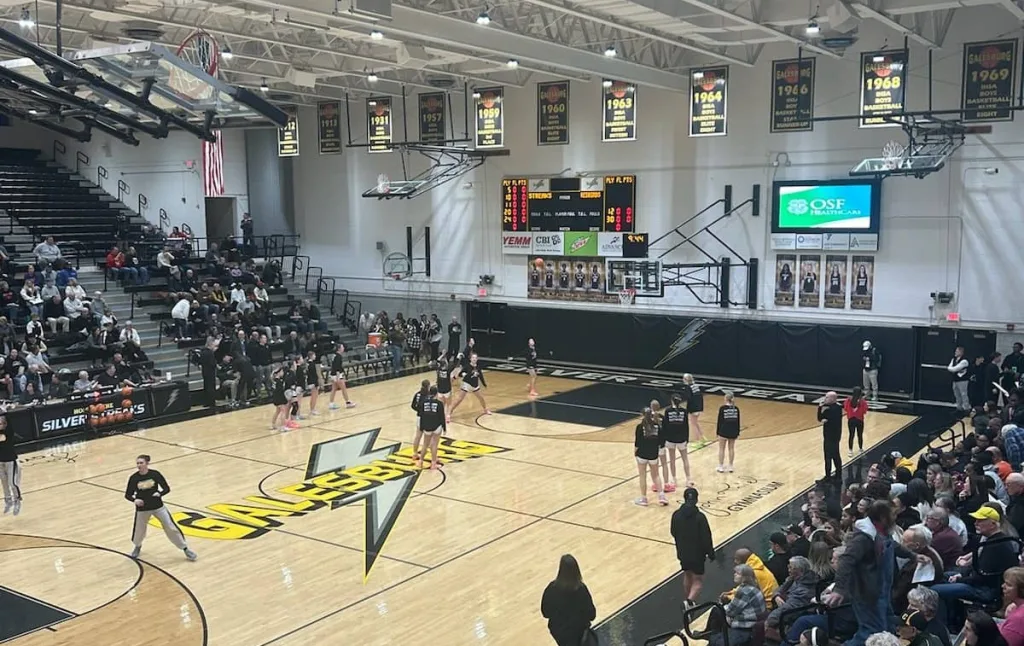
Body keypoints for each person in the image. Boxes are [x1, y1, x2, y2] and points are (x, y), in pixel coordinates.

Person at [826, 501, 914, 646]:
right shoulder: (863, 537)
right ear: (883, 516)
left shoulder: (882, 531)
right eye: (892, 513)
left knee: (885, 626)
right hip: (867, 594)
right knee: (870, 631)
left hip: (882, 590)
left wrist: (912, 555)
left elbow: (893, 545)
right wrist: (839, 589)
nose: (896, 515)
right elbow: (846, 560)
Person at [932, 506, 1020, 628]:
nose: (976, 523)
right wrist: (961, 575)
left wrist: (960, 579)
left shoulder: (996, 546)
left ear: (993, 524)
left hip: (987, 590)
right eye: (976, 520)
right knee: (946, 575)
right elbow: (977, 570)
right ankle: (954, 619)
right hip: (980, 582)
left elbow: (982, 577)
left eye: (980, 521)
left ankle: (941, 628)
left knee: (934, 590)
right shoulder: (992, 540)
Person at [124, 455, 197, 561]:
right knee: (139, 530)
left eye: (141, 463)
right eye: (137, 463)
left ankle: (185, 549)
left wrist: (160, 493)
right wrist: (134, 500)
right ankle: (137, 546)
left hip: (158, 507)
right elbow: (128, 495)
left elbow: (166, 488)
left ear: (147, 463)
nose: (139, 465)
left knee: (170, 526)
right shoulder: (134, 478)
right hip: (142, 509)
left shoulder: (155, 474)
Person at [671, 487, 715, 607]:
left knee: (687, 574)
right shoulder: (700, 517)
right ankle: (689, 602)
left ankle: (687, 600)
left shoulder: (676, 515)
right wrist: (711, 553)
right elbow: (706, 537)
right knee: (698, 580)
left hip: (682, 553)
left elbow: (673, 532)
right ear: (696, 500)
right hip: (697, 555)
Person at [540, 554, 596, 646]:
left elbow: (545, 613)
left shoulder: (551, 588)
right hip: (579, 633)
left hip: (559, 633)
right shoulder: (581, 589)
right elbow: (592, 615)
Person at [710, 564, 765, 646]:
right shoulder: (754, 586)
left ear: (745, 577)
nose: (734, 574)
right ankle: (714, 633)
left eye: (737, 573)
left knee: (717, 610)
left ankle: (712, 633)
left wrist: (721, 603)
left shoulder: (744, 591)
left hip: (746, 626)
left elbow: (729, 611)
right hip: (755, 622)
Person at [634, 407, 667, 506]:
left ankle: (644, 498)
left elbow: (637, 443)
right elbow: (661, 441)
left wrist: (635, 453)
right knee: (656, 475)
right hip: (653, 454)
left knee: (642, 475)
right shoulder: (657, 426)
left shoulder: (640, 427)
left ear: (643, 415)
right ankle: (661, 496)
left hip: (642, 454)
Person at [660, 393, 693, 490]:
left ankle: (674, 479)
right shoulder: (684, 411)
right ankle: (688, 479)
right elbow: (686, 426)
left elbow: (665, 426)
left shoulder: (668, 411)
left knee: (672, 460)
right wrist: (687, 438)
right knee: (685, 459)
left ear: (671, 401)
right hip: (681, 438)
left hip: (670, 439)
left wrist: (664, 438)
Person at [447, 353, 489, 420]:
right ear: (470, 359)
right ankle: (449, 413)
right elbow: (460, 374)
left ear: (477, 359)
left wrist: (484, 384)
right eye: (473, 358)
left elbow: (480, 375)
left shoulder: (478, 367)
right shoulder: (467, 366)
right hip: (466, 384)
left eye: (475, 358)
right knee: (459, 399)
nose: (474, 359)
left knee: (481, 398)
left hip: (475, 385)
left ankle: (485, 409)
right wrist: (463, 374)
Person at [417, 386, 447, 470]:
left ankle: (421, 461)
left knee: (425, 444)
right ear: (436, 393)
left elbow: (422, 415)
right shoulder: (439, 404)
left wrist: (422, 427)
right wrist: (444, 428)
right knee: (434, 445)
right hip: (436, 426)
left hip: (426, 426)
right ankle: (433, 463)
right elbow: (442, 417)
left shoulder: (424, 402)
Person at [817, 391, 844, 483]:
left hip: (829, 437)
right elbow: (821, 419)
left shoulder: (829, 410)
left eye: (827, 397)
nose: (825, 399)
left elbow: (819, 418)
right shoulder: (838, 408)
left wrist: (820, 407)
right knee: (836, 456)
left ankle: (828, 477)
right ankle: (838, 475)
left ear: (833, 399)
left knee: (828, 457)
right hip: (836, 436)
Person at [0, 416, 20, 516]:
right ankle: (8, 501)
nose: (0, 425)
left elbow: (10, 425)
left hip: (10, 461)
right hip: (0, 462)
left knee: (11, 483)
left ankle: (17, 500)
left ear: (5, 424)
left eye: (2, 423)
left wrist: (6, 413)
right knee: (4, 483)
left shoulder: (9, 433)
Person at [716, 391, 740, 473]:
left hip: (723, 431)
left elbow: (720, 421)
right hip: (733, 431)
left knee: (721, 449)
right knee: (731, 448)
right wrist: (737, 432)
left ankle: (721, 466)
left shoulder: (722, 408)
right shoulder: (736, 409)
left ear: (726, 399)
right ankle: (730, 466)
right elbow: (738, 422)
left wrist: (718, 432)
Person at [327, 344, 356, 410]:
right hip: (337, 375)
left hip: (333, 374)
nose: (343, 348)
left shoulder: (334, 355)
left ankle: (331, 404)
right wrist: (338, 377)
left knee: (334, 389)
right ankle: (348, 403)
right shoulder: (338, 356)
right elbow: (337, 367)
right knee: (343, 388)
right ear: (339, 349)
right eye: (342, 347)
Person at [682, 373, 707, 448]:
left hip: (693, 408)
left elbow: (689, 399)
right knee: (695, 423)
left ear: (686, 380)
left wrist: (688, 410)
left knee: (693, 424)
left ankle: (697, 441)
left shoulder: (688, 388)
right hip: (699, 407)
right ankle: (703, 438)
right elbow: (700, 397)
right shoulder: (696, 386)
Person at [1001, 567, 1024, 646]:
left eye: (1008, 585)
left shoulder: (1018, 619)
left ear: (1021, 590)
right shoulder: (1017, 607)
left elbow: (1002, 643)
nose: (1002, 586)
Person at [844, 387, 869, 458]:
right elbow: (865, 411)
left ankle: (850, 451)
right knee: (860, 435)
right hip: (859, 420)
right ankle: (860, 449)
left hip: (851, 420)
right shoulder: (863, 401)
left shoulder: (848, 400)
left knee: (851, 435)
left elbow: (845, 409)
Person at [410, 379, 430, 464]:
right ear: (428, 386)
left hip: (419, 417)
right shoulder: (428, 395)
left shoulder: (417, 394)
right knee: (428, 437)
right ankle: (425, 454)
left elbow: (412, 405)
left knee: (418, 436)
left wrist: (418, 410)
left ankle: (414, 453)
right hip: (426, 418)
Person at [948, 346, 971, 414]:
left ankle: (966, 408)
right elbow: (950, 367)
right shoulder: (954, 359)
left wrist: (951, 368)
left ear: (961, 352)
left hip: (963, 380)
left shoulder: (964, 361)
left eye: (957, 351)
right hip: (955, 380)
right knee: (957, 394)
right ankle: (959, 408)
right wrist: (951, 368)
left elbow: (954, 369)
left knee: (964, 394)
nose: (955, 352)